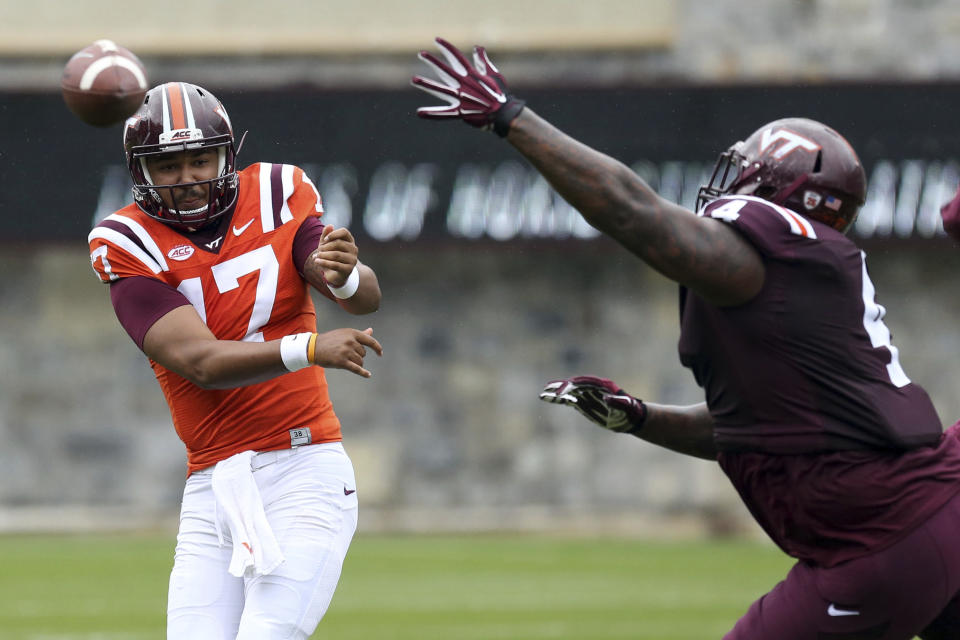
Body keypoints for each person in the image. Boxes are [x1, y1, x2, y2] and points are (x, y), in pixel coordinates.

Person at [413, 38, 960, 639]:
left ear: (781, 190)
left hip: (883, 542)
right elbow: (750, 429)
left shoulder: (769, 256)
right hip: (929, 514)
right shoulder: (800, 285)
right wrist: (642, 418)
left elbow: (632, 211)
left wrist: (510, 118)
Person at [87, 81, 382, 640]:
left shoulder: (277, 190)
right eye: (169, 166)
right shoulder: (125, 239)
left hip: (304, 469)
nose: (189, 179)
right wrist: (310, 348)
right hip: (214, 482)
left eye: (200, 160)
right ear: (141, 173)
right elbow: (199, 362)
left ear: (226, 155)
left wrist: (343, 273)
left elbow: (355, 291)